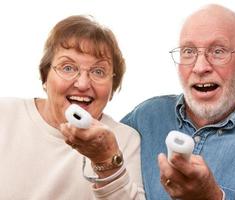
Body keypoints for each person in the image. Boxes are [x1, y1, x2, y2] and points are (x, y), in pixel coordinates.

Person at [121, 4, 235, 200]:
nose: (200, 67)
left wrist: (210, 197)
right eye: (188, 51)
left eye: (218, 51)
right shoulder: (146, 117)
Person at [0, 15, 145, 199]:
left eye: (98, 71)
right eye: (68, 68)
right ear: (45, 76)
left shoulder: (125, 140)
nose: (83, 84)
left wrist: (106, 161)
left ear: (112, 86)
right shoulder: (4, 116)